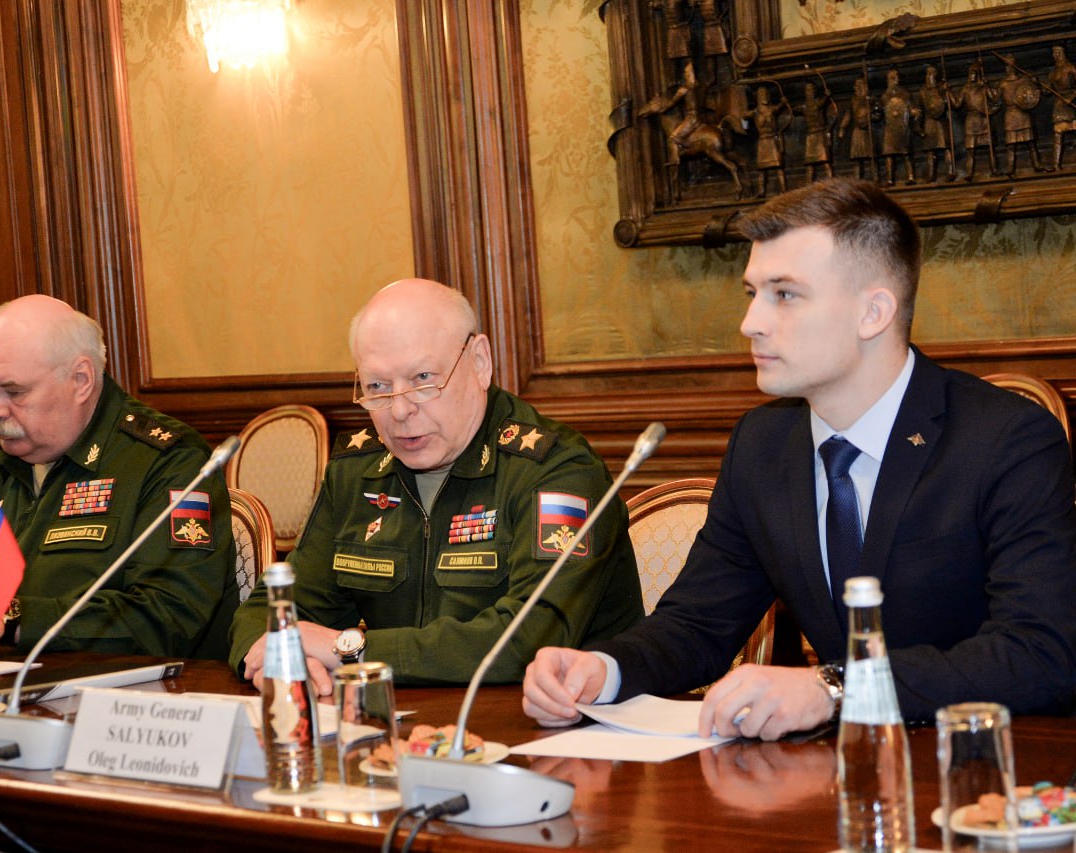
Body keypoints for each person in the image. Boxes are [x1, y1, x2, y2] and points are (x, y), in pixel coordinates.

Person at [522, 178, 1076, 741]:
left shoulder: (1005, 438)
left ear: (873, 312)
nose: (750, 323)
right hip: (829, 771)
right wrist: (603, 670)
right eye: (752, 293)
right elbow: (698, 623)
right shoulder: (763, 444)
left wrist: (834, 688)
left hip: (984, 763)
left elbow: (1042, 652)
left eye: (784, 295)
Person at [229, 278, 642, 694]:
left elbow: (528, 640)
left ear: (479, 362)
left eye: (423, 379)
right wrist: (272, 658)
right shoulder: (357, 472)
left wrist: (350, 651)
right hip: (398, 721)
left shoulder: (555, 471)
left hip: (549, 722)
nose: (400, 410)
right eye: (377, 387)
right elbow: (268, 611)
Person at [0, 295, 237, 660]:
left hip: (138, 697)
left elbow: (169, 614)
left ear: (81, 380)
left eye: (13, 391)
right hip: (10, 688)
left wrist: (15, 619)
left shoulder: (168, 461)